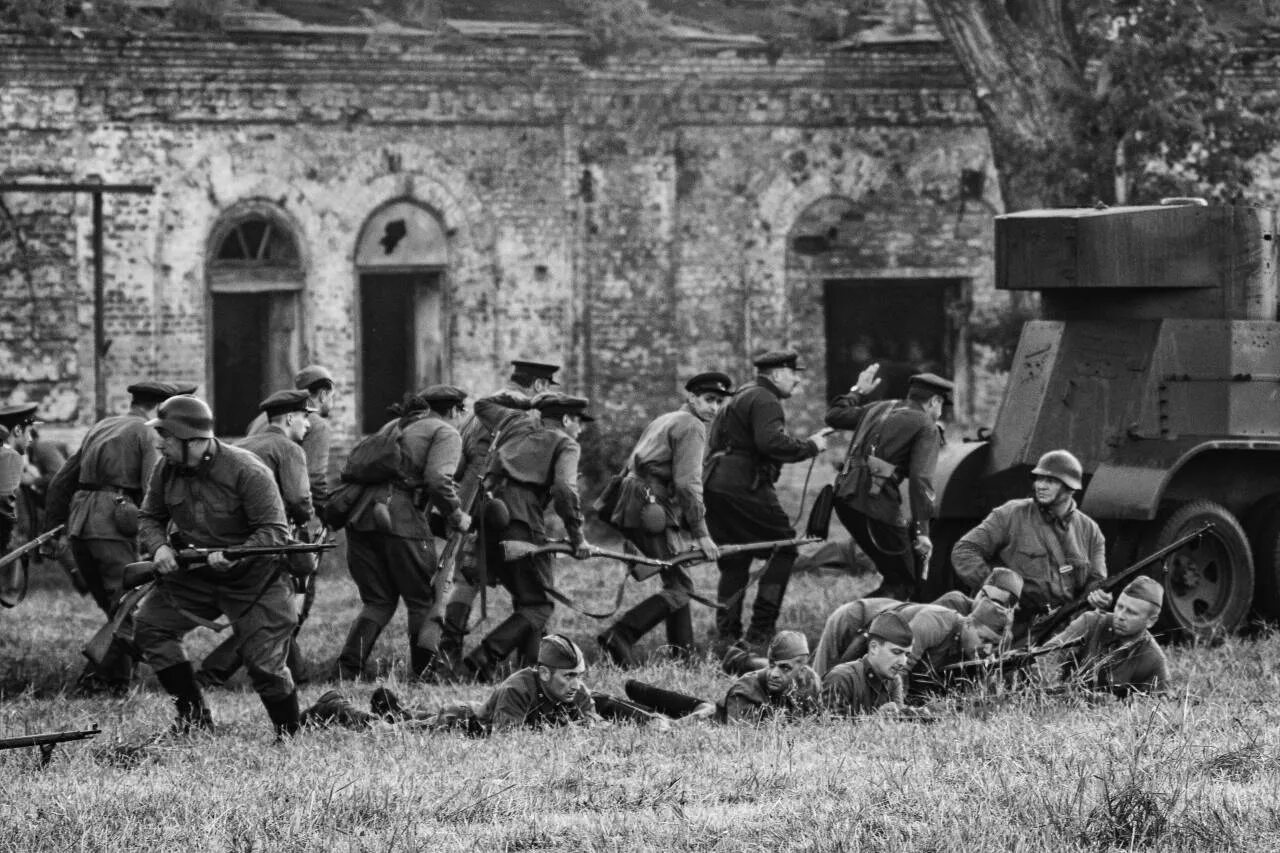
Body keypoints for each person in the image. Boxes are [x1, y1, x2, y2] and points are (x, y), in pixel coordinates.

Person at [133, 395, 300, 737]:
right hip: (197, 575)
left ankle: (290, 735)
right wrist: (160, 546)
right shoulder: (166, 469)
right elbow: (150, 516)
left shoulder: (247, 469)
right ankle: (194, 719)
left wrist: (237, 552)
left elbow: (275, 531)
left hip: (255, 579)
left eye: (166, 437)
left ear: (192, 441)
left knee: (264, 664)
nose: (159, 444)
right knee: (152, 627)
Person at [48, 381, 197, 695]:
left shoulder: (102, 426)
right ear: (160, 408)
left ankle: (113, 679)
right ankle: (100, 680)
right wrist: (170, 536)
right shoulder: (148, 432)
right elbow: (154, 490)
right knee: (129, 607)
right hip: (113, 525)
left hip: (80, 523)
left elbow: (62, 481)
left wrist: (53, 528)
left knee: (117, 608)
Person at [596, 371, 733, 665]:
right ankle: (619, 634)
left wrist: (609, 506)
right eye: (709, 399)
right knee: (680, 586)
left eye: (719, 402)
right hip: (651, 506)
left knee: (677, 577)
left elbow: (628, 467)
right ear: (692, 397)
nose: (714, 407)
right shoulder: (692, 426)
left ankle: (683, 656)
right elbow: (688, 484)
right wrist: (701, 533)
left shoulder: (665, 418)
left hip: (637, 500)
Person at [336, 385, 469, 680]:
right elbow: (438, 480)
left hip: (361, 517)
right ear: (454, 410)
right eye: (462, 411)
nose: (462, 418)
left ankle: (347, 670)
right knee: (421, 599)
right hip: (401, 519)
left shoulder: (394, 426)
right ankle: (424, 674)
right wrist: (457, 515)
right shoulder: (446, 432)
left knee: (379, 601)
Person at [457, 392, 593, 681]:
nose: (580, 429)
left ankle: (530, 666)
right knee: (539, 604)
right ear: (567, 419)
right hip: (520, 519)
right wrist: (578, 537)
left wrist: (525, 403)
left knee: (527, 595)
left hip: (488, 516)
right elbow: (565, 491)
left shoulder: (514, 422)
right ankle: (483, 658)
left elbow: (482, 404)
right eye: (579, 422)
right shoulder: (566, 442)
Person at [703, 350, 829, 653]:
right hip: (743, 485)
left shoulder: (742, 395)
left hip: (716, 484)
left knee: (734, 559)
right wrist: (811, 446)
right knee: (782, 550)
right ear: (776, 375)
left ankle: (727, 634)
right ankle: (761, 631)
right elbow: (769, 442)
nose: (798, 379)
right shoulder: (765, 399)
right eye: (792, 372)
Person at [440, 359, 560, 668]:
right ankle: (465, 653)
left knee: (470, 575)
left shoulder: (487, 407)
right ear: (538, 386)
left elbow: (461, 461)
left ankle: (449, 651)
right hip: (495, 504)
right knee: (520, 578)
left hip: (471, 498)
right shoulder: (519, 415)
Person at [198, 389, 316, 688]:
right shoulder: (288, 449)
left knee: (269, 607)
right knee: (279, 609)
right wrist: (305, 522)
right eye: (305, 417)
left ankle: (298, 675)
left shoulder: (241, 444)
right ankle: (214, 671)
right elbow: (299, 499)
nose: (309, 425)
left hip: (230, 540)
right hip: (268, 540)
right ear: (290, 418)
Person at [825, 365, 952, 601]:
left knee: (897, 577)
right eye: (942, 405)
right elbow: (920, 480)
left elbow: (834, 415)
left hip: (844, 498)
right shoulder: (926, 426)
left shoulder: (880, 407)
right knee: (904, 584)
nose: (940, 412)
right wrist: (922, 532)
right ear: (934, 401)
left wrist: (857, 390)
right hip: (875, 505)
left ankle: (862, 625)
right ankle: (855, 626)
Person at [951, 449, 1108, 639]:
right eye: (1038, 479)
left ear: (1070, 487)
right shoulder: (1011, 514)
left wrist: (1098, 596)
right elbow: (965, 550)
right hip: (1008, 623)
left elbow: (1097, 580)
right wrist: (995, 592)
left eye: (1050, 481)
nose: (1040, 486)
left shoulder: (1091, 531)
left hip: (1056, 628)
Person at [308, 634, 602, 735]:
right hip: (461, 722)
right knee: (384, 733)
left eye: (579, 675)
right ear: (545, 674)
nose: (577, 684)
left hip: (472, 712)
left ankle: (393, 707)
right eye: (569, 676)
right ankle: (336, 705)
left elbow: (594, 727)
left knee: (404, 719)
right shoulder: (519, 688)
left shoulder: (578, 692)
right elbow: (510, 739)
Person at [622, 631, 822, 724]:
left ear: (802, 667)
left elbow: (815, 723)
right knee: (662, 724)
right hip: (704, 721)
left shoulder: (810, 681)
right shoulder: (747, 689)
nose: (774, 674)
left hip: (714, 709)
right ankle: (608, 699)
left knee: (701, 706)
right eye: (771, 665)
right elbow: (742, 739)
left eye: (785, 668)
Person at [1043, 576, 1169, 697]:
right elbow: (1048, 656)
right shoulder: (1091, 623)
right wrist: (1053, 688)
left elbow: (1157, 703)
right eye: (1119, 607)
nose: (1120, 616)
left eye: (1131, 613)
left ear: (1151, 621)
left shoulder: (1154, 660)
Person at [247, 365, 336, 518]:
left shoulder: (261, 419)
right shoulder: (318, 425)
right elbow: (313, 479)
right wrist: (327, 515)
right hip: (280, 515)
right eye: (332, 396)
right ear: (323, 395)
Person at [822, 610, 914, 716]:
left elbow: (899, 725)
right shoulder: (841, 678)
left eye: (907, 655)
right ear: (874, 647)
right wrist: (875, 720)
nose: (903, 662)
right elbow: (827, 728)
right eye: (896, 652)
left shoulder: (893, 681)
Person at [0, 404, 39, 551]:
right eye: (28, 432)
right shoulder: (10, 456)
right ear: (17, 430)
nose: (29, 439)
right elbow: (5, 502)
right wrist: (14, 535)